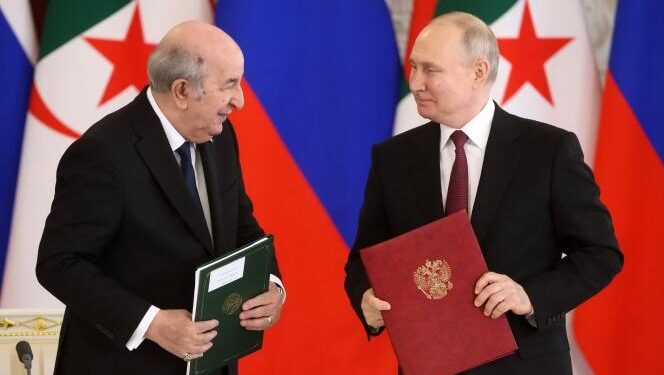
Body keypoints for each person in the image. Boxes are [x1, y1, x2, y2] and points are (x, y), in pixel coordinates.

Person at [344, 12, 622, 375]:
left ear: (478, 72)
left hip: (524, 365)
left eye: (431, 70)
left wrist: (529, 295)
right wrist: (365, 298)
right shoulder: (393, 158)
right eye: (413, 67)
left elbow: (601, 254)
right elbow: (364, 259)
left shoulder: (549, 150)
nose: (414, 82)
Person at [36, 21, 284, 375]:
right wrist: (151, 323)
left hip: (211, 363)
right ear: (182, 90)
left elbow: (242, 226)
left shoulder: (221, 137)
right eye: (229, 85)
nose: (240, 101)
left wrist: (271, 285)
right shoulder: (102, 154)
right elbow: (59, 263)